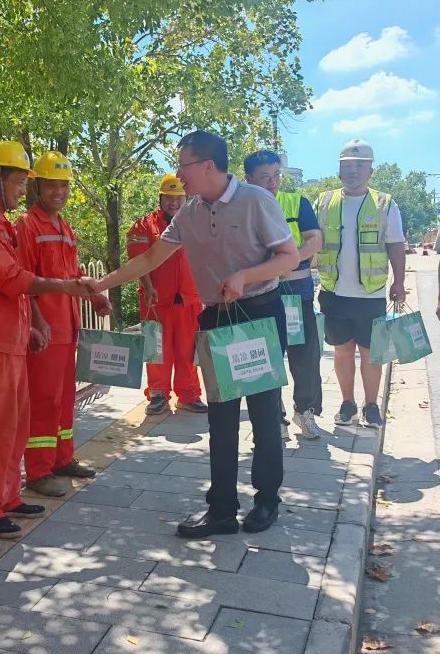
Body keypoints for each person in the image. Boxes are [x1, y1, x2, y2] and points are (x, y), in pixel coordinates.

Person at [84, 130, 299, 538]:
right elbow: (151, 257)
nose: (179, 175)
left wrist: (244, 276)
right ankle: (221, 509)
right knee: (221, 416)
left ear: (208, 166)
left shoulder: (256, 200)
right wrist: (102, 284)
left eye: (183, 166)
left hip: (259, 314)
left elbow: (288, 258)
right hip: (216, 317)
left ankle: (266, 500)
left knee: (264, 412)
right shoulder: (190, 213)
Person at [0, 141, 94, 538]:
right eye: (18, 182)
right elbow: (11, 279)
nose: (21, 190)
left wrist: (30, 326)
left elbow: (16, 287)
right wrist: (62, 290)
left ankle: (8, 496)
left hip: (14, 338)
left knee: (15, 426)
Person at [15, 151, 104, 498]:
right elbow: (24, 280)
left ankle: (62, 458)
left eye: (64, 185)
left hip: (68, 328)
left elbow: (71, 276)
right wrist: (37, 320)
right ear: (37, 187)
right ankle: (38, 471)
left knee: (65, 398)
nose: (59, 192)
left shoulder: (64, 227)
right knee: (43, 399)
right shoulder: (28, 226)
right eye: (52, 185)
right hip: (46, 331)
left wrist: (94, 295)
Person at [314, 139, 405, 430]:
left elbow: (396, 245)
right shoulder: (324, 201)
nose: (353, 171)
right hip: (333, 291)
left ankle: (371, 406)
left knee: (370, 352)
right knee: (342, 350)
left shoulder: (385, 204)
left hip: (371, 293)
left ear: (370, 170)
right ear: (339, 170)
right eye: (347, 166)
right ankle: (347, 404)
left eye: (359, 165)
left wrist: (399, 282)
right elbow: (311, 240)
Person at [244, 150, 324, 440]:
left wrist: (287, 262)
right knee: (267, 358)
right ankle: (273, 419)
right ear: (248, 179)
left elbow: (315, 240)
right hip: (258, 296)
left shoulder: (297, 202)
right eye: (264, 177)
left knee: (305, 358)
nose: (272, 182)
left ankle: (305, 411)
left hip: (296, 294)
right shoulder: (242, 209)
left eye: (276, 175)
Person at [126, 173, 206, 416]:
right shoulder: (144, 225)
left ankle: (189, 394)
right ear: (160, 199)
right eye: (169, 198)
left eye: (179, 198)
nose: (174, 203)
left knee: (187, 349)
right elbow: (137, 260)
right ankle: (158, 394)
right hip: (155, 301)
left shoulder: (197, 222)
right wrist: (148, 286)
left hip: (190, 299)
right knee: (157, 349)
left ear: (186, 198)